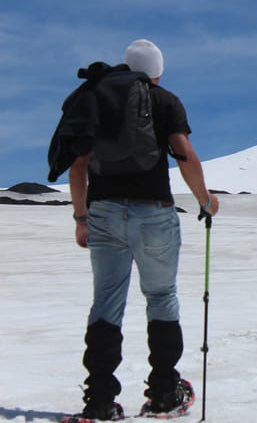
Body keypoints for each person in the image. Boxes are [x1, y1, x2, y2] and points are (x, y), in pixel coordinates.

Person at [65, 39, 220, 421]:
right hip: (154, 213)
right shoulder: (165, 100)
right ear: (157, 70)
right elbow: (183, 153)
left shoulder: (97, 98)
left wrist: (82, 218)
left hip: (103, 212)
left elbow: (78, 167)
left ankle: (99, 400)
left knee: (106, 302)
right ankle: (165, 392)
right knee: (161, 296)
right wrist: (205, 201)